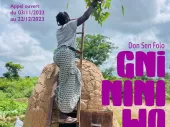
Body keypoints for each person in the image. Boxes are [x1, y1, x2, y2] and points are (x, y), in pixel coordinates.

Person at [53, 0, 98, 123]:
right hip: (67, 54)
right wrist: (93, 4)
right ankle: (63, 115)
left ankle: (62, 111)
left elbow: (66, 43)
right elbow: (85, 16)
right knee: (69, 82)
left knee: (64, 80)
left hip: (58, 54)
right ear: (68, 19)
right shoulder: (71, 25)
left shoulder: (59, 30)